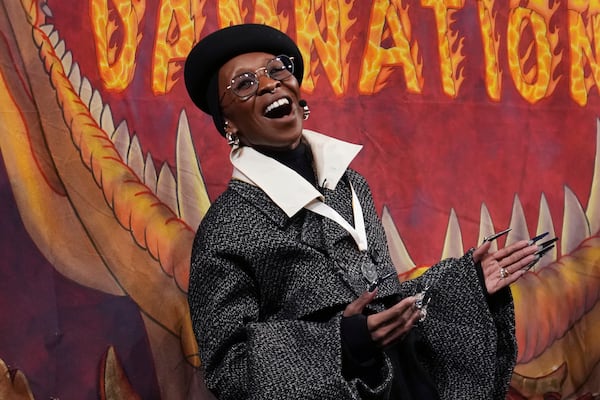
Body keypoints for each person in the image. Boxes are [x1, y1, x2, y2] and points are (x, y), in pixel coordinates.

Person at [184, 23, 548, 400]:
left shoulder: (350, 185)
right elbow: (229, 371)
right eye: (244, 83)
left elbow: (385, 304)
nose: (269, 84)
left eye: (277, 69)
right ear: (227, 123)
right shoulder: (225, 229)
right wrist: (343, 344)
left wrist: (465, 283)